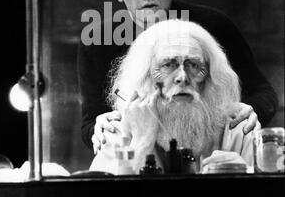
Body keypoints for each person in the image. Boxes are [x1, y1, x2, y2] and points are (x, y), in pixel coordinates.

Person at [77, 0, 278, 154]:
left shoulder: (214, 25)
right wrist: (99, 127)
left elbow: (264, 93)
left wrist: (253, 111)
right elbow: (90, 123)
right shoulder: (98, 40)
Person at [90, 19, 261, 174]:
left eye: (194, 65)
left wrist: (244, 175)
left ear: (210, 75)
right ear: (145, 76)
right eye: (167, 65)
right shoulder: (118, 131)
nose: (182, 77)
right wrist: (141, 143)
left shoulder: (239, 129)